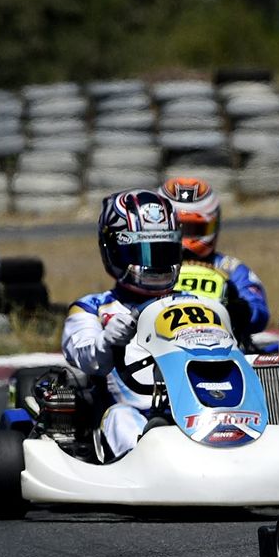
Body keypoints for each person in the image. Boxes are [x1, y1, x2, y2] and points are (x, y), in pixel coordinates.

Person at [62, 189, 184, 462]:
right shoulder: (91, 308)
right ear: (114, 251)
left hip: (192, 412)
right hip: (129, 414)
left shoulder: (193, 303)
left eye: (162, 251)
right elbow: (86, 358)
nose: (154, 265)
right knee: (120, 418)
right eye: (141, 252)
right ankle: (145, 459)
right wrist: (106, 341)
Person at [159, 177, 270, 345]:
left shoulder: (230, 268)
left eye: (195, 229)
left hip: (221, 349)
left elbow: (259, 313)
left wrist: (237, 309)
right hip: (160, 347)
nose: (186, 238)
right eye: (178, 228)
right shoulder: (150, 269)